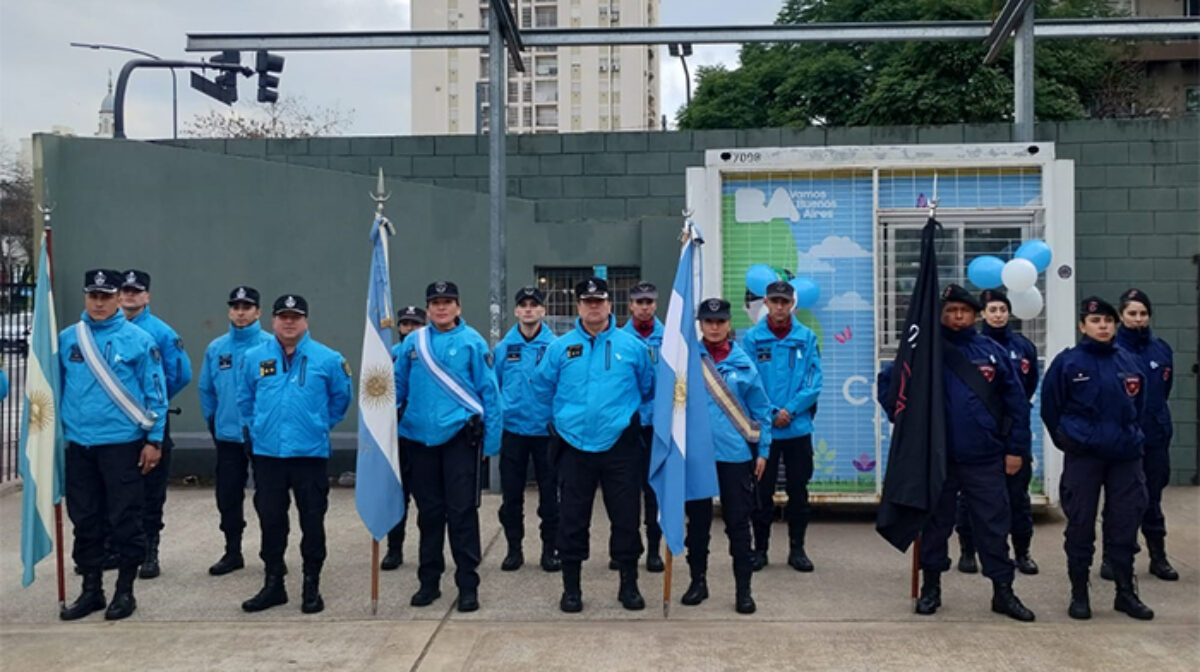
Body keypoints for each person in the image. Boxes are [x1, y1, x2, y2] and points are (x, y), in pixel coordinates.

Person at [880, 285, 1035, 622]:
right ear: (940, 314)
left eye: (964, 311)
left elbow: (1016, 405)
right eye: (950, 311)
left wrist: (1016, 450)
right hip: (937, 460)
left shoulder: (991, 352)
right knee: (935, 526)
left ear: (975, 314)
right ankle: (931, 588)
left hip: (985, 458)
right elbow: (890, 386)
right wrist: (906, 424)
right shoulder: (923, 352)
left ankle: (1003, 591)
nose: (958, 316)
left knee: (994, 526)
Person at [532, 276, 653, 613]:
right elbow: (542, 387)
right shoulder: (559, 348)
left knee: (627, 519)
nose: (593, 307)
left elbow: (647, 387)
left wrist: (623, 419)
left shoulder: (633, 347)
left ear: (610, 305)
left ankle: (628, 584)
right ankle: (572, 588)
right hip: (574, 446)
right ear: (578, 306)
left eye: (599, 301)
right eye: (587, 302)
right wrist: (563, 420)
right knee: (572, 520)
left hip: (620, 448)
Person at [58, 269, 167, 621]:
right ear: (86, 297)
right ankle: (91, 590)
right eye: (93, 296)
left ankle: (125, 591)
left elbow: (156, 394)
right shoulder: (67, 339)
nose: (99, 302)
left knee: (124, 520)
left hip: (122, 447)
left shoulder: (138, 340)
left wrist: (154, 440)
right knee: (85, 520)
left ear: (119, 297)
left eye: (106, 296)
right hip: (80, 447)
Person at [237, 294, 352, 614]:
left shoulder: (327, 359)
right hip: (268, 454)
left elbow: (340, 400)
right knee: (272, 521)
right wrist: (258, 427)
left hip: (309, 455)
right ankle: (274, 584)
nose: (289, 322)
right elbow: (245, 399)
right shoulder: (254, 357)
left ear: (306, 320)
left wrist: (316, 425)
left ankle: (311, 584)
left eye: (295, 316)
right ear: (272, 320)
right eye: (283, 316)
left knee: (312, 521)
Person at [1042, 296, 1154, 620]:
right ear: (1082, 326)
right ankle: (1079, 593)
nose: (1102, 326)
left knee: (1124, 524)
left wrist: (1131, 439)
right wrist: (1071, 441)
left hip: (1124, 457)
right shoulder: (1068, 363)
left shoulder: (1130, 362)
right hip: (1085, 458)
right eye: (1095, 321)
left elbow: (1140, 407)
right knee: (1080, 524)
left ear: (1115, 324)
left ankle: (1125, 592)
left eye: (1108, 320)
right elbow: (1052, 409)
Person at [393, 281, 501, 613]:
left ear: (458, 307)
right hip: (418, 439)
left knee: (462, 515)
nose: (441, 308)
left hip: (459, 440)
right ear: (428, 308)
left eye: (448, 302)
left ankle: (468, 585)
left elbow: (490, 392)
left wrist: (492, 441)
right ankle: (429, 582)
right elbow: (397, 385)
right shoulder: (414, 342)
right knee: (429, 515)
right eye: (435, 302)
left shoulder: (472, 342)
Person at [681, 298, 772, 614]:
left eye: (720, 321)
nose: (715, 327)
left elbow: (762, 409)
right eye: (709, 322)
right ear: (701, 325)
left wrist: (764, 451)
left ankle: (743, 591)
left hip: (734, 456)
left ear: (729, 323)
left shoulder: (745, 363)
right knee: (698, 525)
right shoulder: (688, 360)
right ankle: (697, 582)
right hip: (697, 456)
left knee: (738, 524)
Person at [740, 280, 822, 572]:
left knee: (799, 491)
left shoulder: (806, 338)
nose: (779, 307)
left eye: (784, 302)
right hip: (765, 430)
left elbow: (814, 381)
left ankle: (797, 549)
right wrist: (773, 411)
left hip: (797, 428)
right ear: (766, 303)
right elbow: (748, 380)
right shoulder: (752, 339)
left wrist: (791, 409)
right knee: (761, 492)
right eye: (774, 301)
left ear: (792, 305)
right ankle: (760, 550)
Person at [957, 288, 1040, 575]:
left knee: (1018, 497)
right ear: (982, 314)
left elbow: (1027, 388)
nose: (998, 314)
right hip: (982, 434)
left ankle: (1022, 552)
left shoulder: (1024, 347)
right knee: (971, 498)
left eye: (1002, 309)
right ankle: (968, 552)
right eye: (992, 310)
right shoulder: (973, 347)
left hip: (1014, 431)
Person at [119, 269, 193, 579]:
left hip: (151, 421)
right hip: (117, 425)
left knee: (151, 491)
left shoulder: (161, 332)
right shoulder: (107, 328)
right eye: (125, 290)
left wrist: (152, 404)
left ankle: (150, 550)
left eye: (136, 291)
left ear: (147, 296)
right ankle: (117, 548)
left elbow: (181, 374)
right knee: (119, 491)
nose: (130, 296)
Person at [197, 286, 272, 576]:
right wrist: (213, 422)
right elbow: (206, 388)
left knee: (267, 497)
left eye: (247, 307)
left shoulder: (270, 345)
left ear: (258, 312)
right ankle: (232, 551)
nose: (241, 313)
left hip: (261, 436)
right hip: (227, 435)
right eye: (236, 307)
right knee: (227, 496)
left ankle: (271, 553)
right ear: (230, 311)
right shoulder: (217, 348)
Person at [1106, 288, 1178, 582]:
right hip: (1121, 440)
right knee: (1119, 501)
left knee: (1152, 499)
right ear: (1121, 316)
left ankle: (1158, 557)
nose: (1138, 319)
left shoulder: (1161, 349)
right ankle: (1113, 557)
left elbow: (1164, 389)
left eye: (1143, 314)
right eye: (1132, 314)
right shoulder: (1111, 351)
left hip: (1154, 437)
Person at [494, 286, 560, 572]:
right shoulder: (502, 349)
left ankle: (550, 550)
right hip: (513, 432)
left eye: (535, 305)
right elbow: (493, 388)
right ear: (516, 311)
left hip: (546, 434)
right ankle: (514, 549)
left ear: (543, 311)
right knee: (511, 498)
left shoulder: (556, 347)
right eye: (524, 305)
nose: (530, 309)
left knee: (550, 499)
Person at [619, 281, 665, 573]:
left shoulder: (670, 338)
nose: (645, 307)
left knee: (654, 492)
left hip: (657, 428)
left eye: (649, 301)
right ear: (631, 306)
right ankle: (623, 549)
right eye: (640, 302)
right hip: (627, 427)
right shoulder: (620, 339)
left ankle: (653, 550)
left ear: (655, 305)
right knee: (623, 493)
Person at [379, 305, 426, 571]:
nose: (409, 329)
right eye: (405, 324)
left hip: (418, 436)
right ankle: (394, 549)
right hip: (393, 437)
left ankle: (426, 551)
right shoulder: (389, 355)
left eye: (415, 324)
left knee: (426, 499)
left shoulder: (428, 355)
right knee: (396, 497)